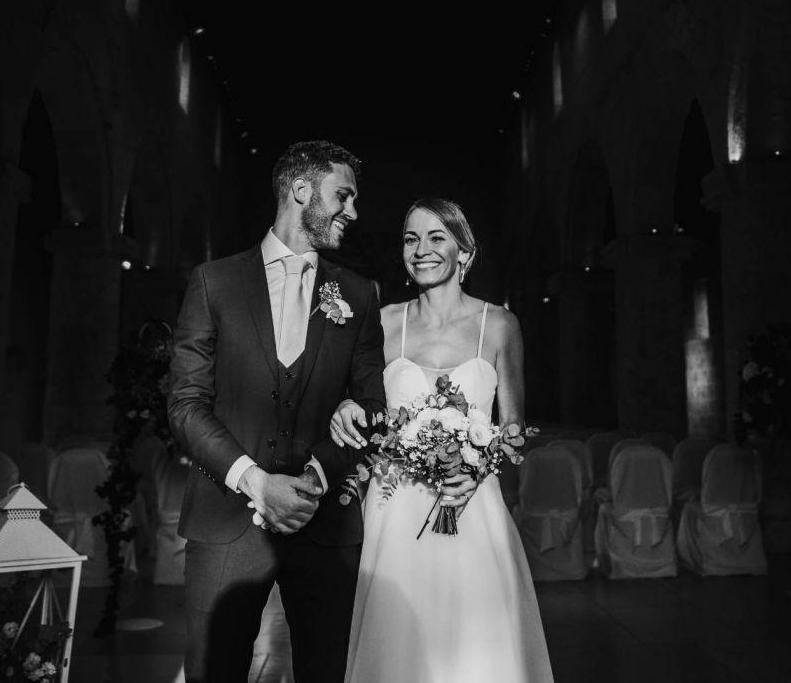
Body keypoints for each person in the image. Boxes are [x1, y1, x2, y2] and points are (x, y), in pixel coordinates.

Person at [168, 140, 388, 683]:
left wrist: (314, 478)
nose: (353, 211)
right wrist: (257, 482)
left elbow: (374, 408)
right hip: (227, 522)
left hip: (324, 525)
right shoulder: (214, 282)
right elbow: (186, 404)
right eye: (344, 196)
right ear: (301, 190)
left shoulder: (358, 294)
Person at [330, 197, 554, 683]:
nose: (421, 249)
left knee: (474, 645)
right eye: (411, 239)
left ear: (464, 252)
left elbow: (514, 431)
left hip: (472, 508)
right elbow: (364, 408)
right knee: (398, 644)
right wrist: (348, 409)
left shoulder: (500, 324)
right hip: (396, 510)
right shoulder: (384, 322)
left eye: (437, 237)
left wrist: (475, 468)